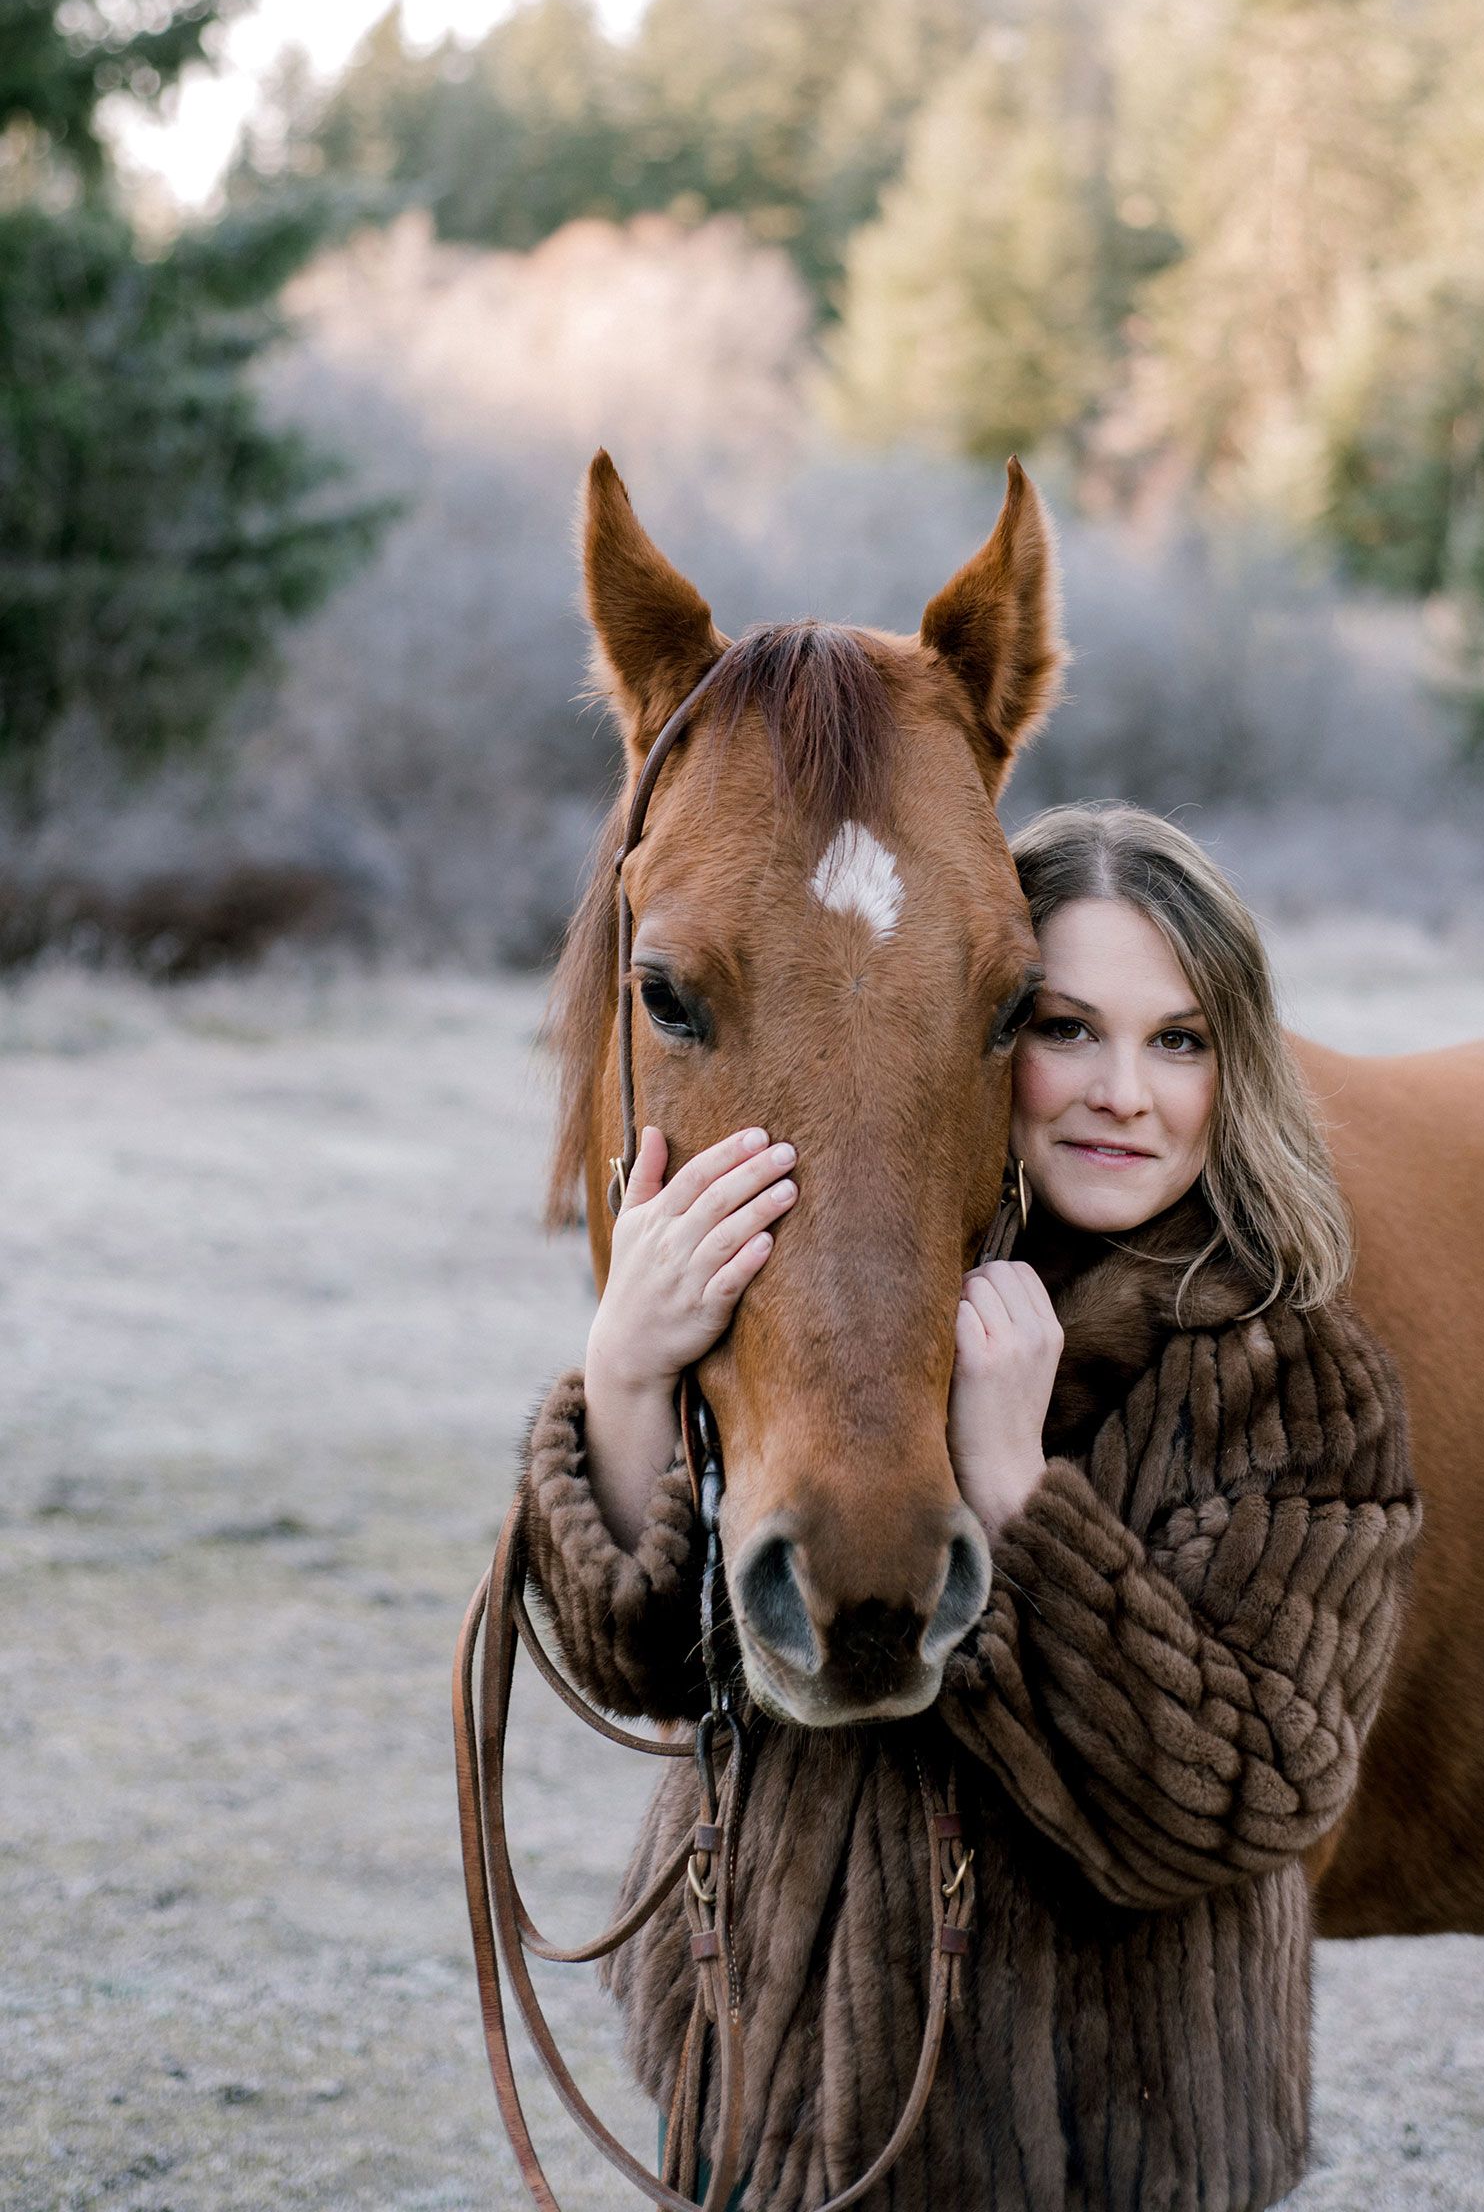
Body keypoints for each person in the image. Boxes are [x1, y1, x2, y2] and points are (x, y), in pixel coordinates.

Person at [523, 803, 1420, 2212]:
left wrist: (1019, 1496)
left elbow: (1247, 1797)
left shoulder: (1285, 1377)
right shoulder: (839, 1307)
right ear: (972, 1034)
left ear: (1232, 1069)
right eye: (1064, 1028)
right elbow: (645, 1662)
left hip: (1099, 2140)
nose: (1122, 1090)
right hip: (768, 2089)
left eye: (1178, 1040)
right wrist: (627, 1372)